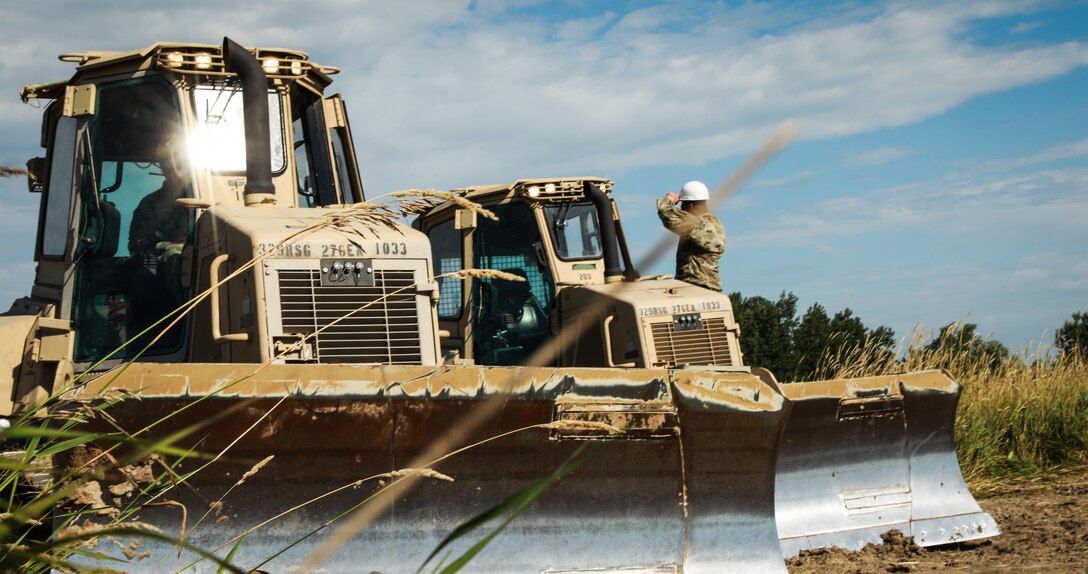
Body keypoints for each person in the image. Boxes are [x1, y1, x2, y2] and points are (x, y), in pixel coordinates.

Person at [656, 180, 726, 291]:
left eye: (683, 206)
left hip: (693, 288)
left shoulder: (695, 224)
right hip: (713, 290)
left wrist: (669, 200)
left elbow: (665, 212)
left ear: (690, 206)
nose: (681, 210)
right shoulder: (715, 223)